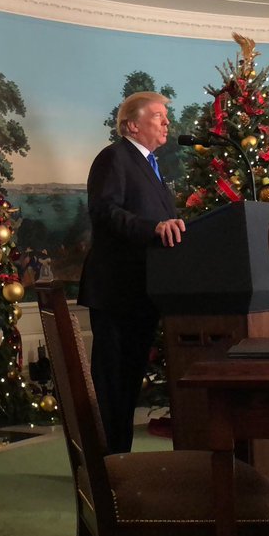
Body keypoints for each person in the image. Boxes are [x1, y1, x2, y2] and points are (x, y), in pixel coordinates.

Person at [78, 91, 185, 454]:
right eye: (157, 116)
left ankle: (119, 458)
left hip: (142, 292)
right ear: (132, 125)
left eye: (165, 116)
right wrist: (153, 228)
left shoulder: (151, 166)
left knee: (128, 383)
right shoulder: (114, 158)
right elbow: (105, 211)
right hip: (116, 290)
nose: (166, 122)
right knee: (113, 383)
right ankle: (106, 462)